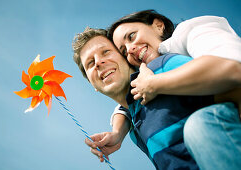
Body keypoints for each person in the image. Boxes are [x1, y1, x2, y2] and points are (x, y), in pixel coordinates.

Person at [86, 10, 241, 170]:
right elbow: (127, 105)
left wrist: (154, 83)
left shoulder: (189, 31)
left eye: (131, 36)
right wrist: (118, 132)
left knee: (199, 124)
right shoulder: (147, 78)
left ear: (158, 25)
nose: (130, 49)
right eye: (124, 52)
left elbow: (231, 66)